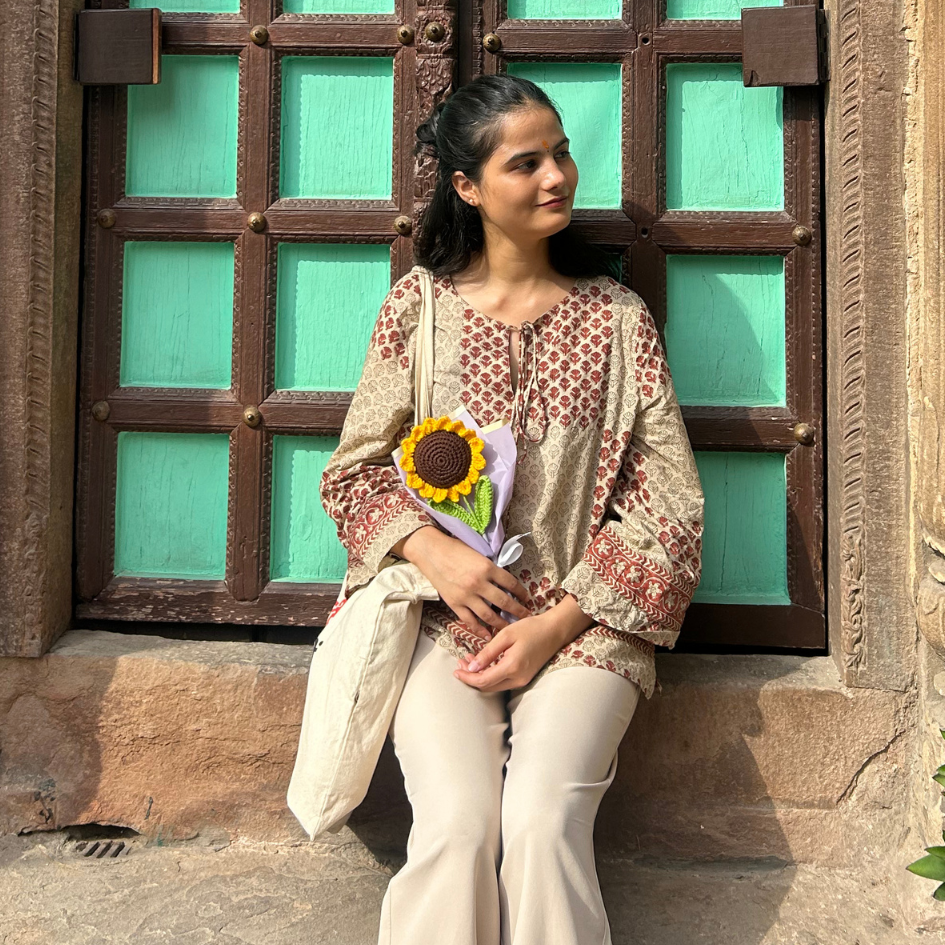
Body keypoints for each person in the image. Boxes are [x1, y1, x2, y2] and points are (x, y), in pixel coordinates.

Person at [319, 74, 704, 945]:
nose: (557, 176)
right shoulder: (416, 312)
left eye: (560, 152)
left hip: (586, 629)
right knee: (458, 826)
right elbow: (353, 473)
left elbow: (669, 507)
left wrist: (554, 623)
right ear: (466, 187)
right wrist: (435, 555)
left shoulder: (618, 321)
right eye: (525, 162)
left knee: (538, 821)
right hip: (433, 625)